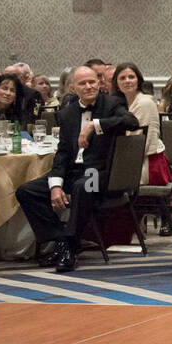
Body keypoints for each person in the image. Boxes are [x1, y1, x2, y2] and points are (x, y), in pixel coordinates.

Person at [15, 66, 140, 272]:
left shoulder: (112, 103)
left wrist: (94, 125)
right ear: (73, 88)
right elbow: (63, 153)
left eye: (92, 81)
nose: (89, 86)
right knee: (26, 191)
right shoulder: (66, 114)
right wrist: (56, 185)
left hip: (100, 173)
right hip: (73, 171)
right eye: (83, 83)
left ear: (99, 83)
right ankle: (60, 239)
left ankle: (71, 247)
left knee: (83, 186)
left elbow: (131, 122)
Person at [112, 62, 171, 186]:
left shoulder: (144, 103)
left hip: (148, 165)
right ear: (116, 84)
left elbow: (138, 143)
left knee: (97, 181)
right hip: (132, 159)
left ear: (138, 81)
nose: (127, 81)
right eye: (122, 78)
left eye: (131, 77)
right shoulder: (121, 104)